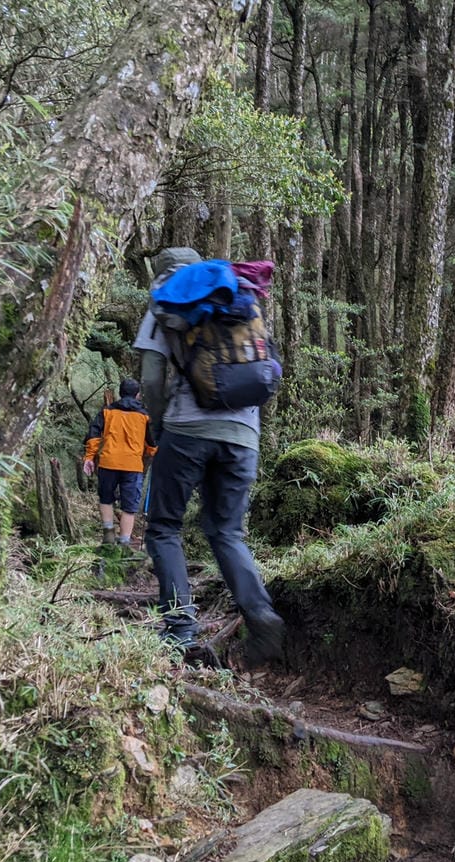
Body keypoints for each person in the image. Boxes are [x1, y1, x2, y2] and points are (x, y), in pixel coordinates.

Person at [135, 247, 286, 666]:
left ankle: (181, 629)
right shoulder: (239, 291)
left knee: (164, 527)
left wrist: (159, 423)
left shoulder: (166, 299)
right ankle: (261, 615)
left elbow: (150, 375)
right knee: (227, 531)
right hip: (244, 434)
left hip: (188, 429)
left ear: (161, 272)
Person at [82, 378, 157, 547]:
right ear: (137, 395)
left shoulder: (107, 412)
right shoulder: (144, 416)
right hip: (132, 465)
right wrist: (153, 453)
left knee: (106, 498)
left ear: (120, 393)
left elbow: (94, 434)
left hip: (108, 463)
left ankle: (108, 534)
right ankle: (124, 542)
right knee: (129, 506)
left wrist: (89, 456)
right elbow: (152, 441)